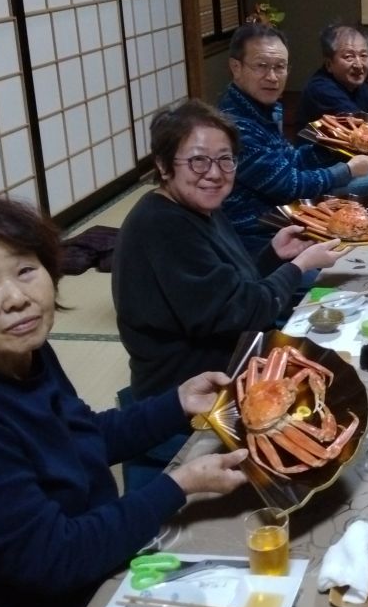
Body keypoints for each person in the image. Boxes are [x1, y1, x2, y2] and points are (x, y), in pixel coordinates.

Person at [0, 195, 249, 607]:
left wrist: (177, 404)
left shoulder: (24, 355)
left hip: (84, 572)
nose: (18, 297)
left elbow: (80, 439)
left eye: (25, 270)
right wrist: (178, 485)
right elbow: (56, 558)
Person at [113, 99, 344, 483]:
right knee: (326, 434)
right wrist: (299, 266)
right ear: (163, 165)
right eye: (198, 161)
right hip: (190, 396)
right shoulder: (161, 226)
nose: (215, 174)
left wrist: (272, 255)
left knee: (338, 359)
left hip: (230, 361)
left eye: (225, 160)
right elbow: (239, 309)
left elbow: (225, 287)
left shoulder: (198, 209)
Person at [218, 23, 368, 256]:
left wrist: (336, 145)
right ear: (236, 68)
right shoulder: (234, 125)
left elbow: (292, 159)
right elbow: (289, 185)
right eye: (261, 66)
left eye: (280, 67)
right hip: (262, 240)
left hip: (289, 220)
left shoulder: (264, 108)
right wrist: (346, 170)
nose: (272, 76)